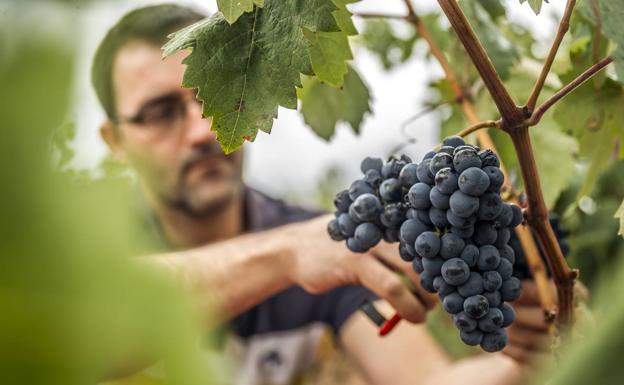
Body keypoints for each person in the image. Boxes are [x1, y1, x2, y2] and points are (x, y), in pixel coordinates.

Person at [92, 4, 553, 385]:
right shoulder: (83, 242)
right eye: (159, 112)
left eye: (208, 98)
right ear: (114, 142)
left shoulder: (328, 251)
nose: (200, 130)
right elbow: (73, 331)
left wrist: (523, 362)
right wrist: (285, 256)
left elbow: (425, 379)